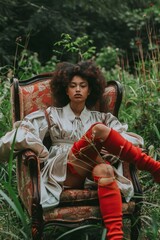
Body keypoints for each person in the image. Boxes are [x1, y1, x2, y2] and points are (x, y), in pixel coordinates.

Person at [0, 60, 160, 240]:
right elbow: (22, 133)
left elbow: (127, 139)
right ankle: (154, 167)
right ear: (65, 90)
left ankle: (115, 236)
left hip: (92, 172)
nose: (77, 89)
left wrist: (112, 149)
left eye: (83, 86)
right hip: (65, 171)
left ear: (90, 90)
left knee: (106, 169)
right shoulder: (52, 114)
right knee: (98, 130)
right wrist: (41, 152)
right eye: (72, 86)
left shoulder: (102, 117)